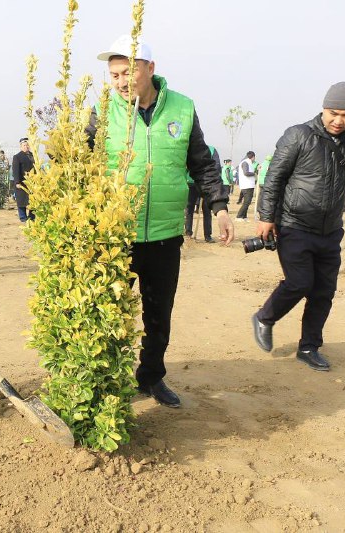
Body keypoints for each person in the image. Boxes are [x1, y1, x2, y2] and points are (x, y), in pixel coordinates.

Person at [86, 34, 234, 407]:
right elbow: (79, 166)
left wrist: (219, 207)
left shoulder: (182, 109)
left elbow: (201, 162)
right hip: (116, 234)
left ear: (150, 69)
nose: (120, 81)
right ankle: (107, 385)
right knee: (110, 314)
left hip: (166, 235)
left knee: (158, 314)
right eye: (114, 74)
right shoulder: (102, 112)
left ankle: (151, 377)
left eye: (128, 72)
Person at [252, 82, 345, 371]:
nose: (338, 121)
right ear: (323, 107)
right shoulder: (298, 135)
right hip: (294, 225)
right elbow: (275, 178)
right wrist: (266, 217)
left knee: (323, 291)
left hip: (330, 230)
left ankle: (308, 347)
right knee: (300, 282)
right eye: (333, 113)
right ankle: (265, 317)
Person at [11, 137, 35, 222]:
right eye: (24, 145)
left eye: (27, 145)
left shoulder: (32, 155)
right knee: (22, 201)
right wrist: (17, 182)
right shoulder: (17, 157)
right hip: (22, 182)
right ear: (21, 147)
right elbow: (15, 170)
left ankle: (32, 217)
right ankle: (23, 217)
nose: (26, 147)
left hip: (32, 182)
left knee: (33, 200)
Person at [235, 151, 257, 220]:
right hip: (246, 185)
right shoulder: (245, 162)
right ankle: (239, 216)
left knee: (247, 202)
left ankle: (244, 217)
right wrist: (254, 174)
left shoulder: (249, 163)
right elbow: (246, 173)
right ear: (253, 157)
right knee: (247, 202)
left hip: (249, 185)